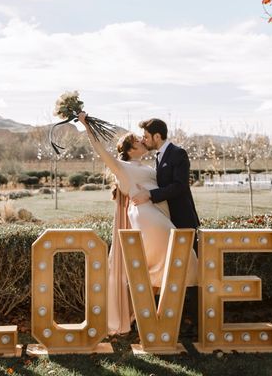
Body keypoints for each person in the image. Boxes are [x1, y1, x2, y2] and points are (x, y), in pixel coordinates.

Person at [78, 112, 197, 335]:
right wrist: (87, 126)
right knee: (177, 260)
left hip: (158, 213)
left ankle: (153, 317)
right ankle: (155, 318)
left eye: (145, 137)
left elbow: (170, 186)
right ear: (131, 149)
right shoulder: (122, 167)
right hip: (148, 218)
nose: (143, 140)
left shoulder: (148, 165)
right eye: (138, 140)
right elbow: (100, 150)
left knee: (167, 266)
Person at [132, 118, 201, 334]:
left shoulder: (178, 154)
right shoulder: (159, 157)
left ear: (157, 136)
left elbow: (179, 186)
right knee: (173, 272)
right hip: (167, 222)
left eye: (145, 136)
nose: (144, 140)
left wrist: (150, 196)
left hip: (183, 221)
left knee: (190, 272)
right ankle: (174, 320)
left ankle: (196, 323)